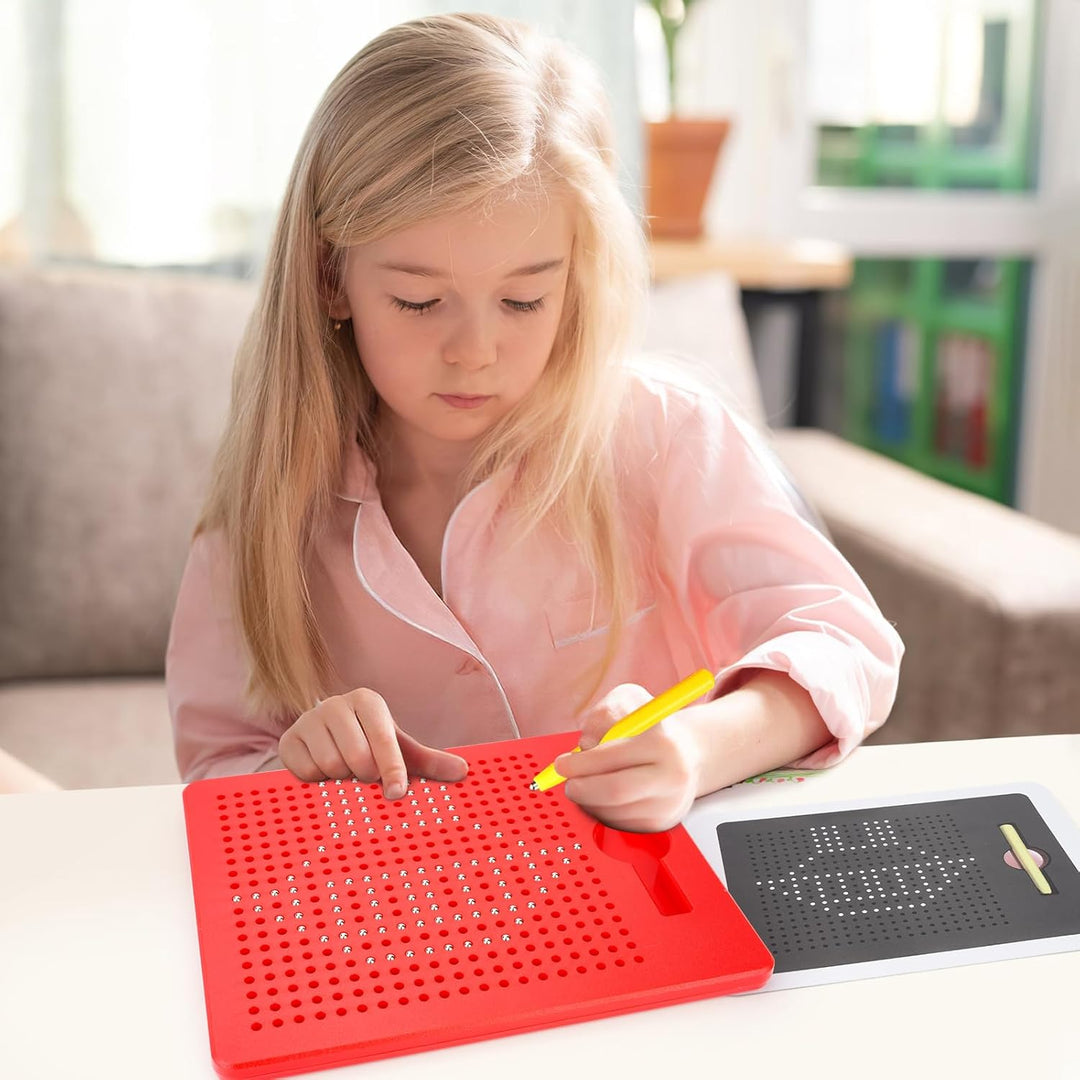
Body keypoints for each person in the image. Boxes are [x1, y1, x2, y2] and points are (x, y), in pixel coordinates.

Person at [166, 12, 903, 832]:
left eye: (524, 300)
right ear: (329, 279)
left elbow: (846, 646)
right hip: (411, 925)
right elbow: (215, 770)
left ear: (577, 280)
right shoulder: (271, 500)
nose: (475, 352)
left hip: (647, 900)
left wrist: (698, 748)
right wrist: (299, 771)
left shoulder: (664, 435)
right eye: (418, 300)